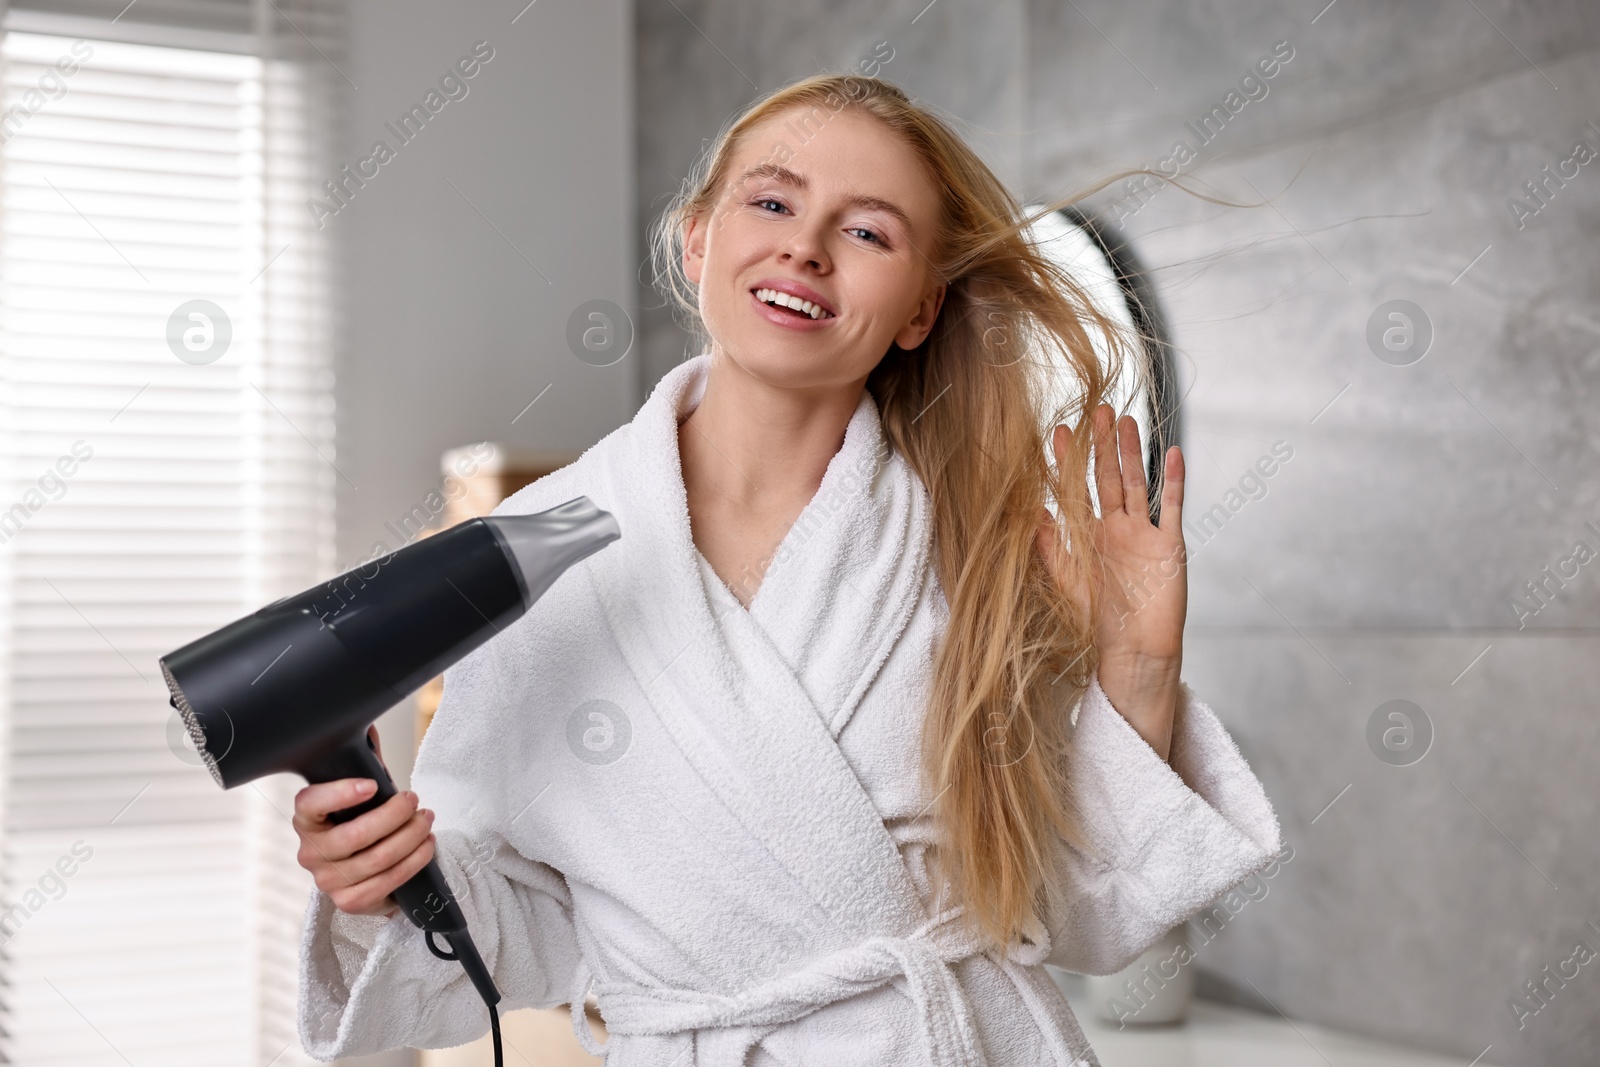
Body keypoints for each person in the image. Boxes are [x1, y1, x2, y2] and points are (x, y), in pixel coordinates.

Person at [291, 73, 1282, 1067]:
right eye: (770, 202)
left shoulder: (976, 547)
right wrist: (386, 878)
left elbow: (1089, 913)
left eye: (867, 233)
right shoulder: (526, 553)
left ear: (918, 311)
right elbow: (523, 920)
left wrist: (1138, 663)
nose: (803, 247)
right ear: (698, 239)